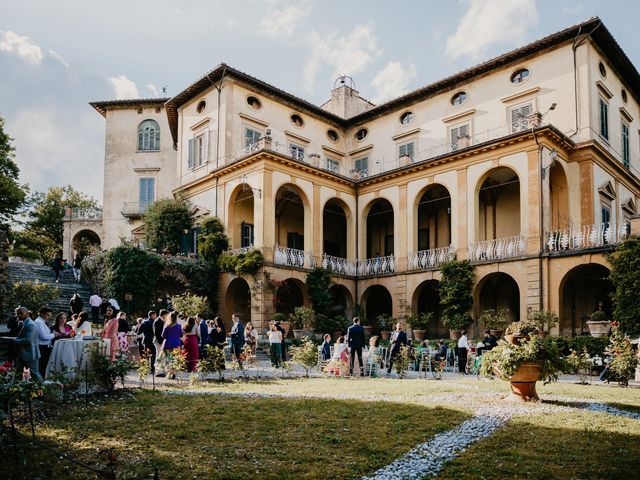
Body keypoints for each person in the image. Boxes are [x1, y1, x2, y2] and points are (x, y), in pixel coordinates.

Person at [13, 307, 43, 382]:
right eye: (18, 313)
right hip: (23, 353)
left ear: (27, 314)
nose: (19, 315)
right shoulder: (25, 322)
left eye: (21, 313)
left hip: (30, 354)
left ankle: (43, 391)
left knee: (35, 374)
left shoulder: (30, 324)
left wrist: (15, 341)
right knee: (18, 373)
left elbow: (28, 340)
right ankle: (15, 391)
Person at [162, 312, 183, 379]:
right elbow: (181, 335)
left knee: (168, 358)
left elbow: (163, 335)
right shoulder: (179, 326)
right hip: (177, 343)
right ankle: (174, 372)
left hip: (168, 344)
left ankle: (170, 372)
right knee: (175, 358)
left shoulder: (167, 326)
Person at [34, 307, 55, 376]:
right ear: (42, 314)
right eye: (47, 315)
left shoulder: (42, 322)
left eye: (50, 315)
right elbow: (43, 337)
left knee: (44, 366)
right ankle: (40, 383)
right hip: (42, 347)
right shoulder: (38, 322)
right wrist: (54, 334)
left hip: (45, 347)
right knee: (42, 366)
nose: (49, 317)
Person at [153, 309, 169, 377]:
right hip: (158, 341)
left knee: (162, 356)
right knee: (159, 355)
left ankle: (162, 370)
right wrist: (161, 342)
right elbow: (157, 333)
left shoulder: (162, 321)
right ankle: (158, 371)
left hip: (162, 341)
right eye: (166, 315)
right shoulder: (157, 322)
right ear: (163, 315)